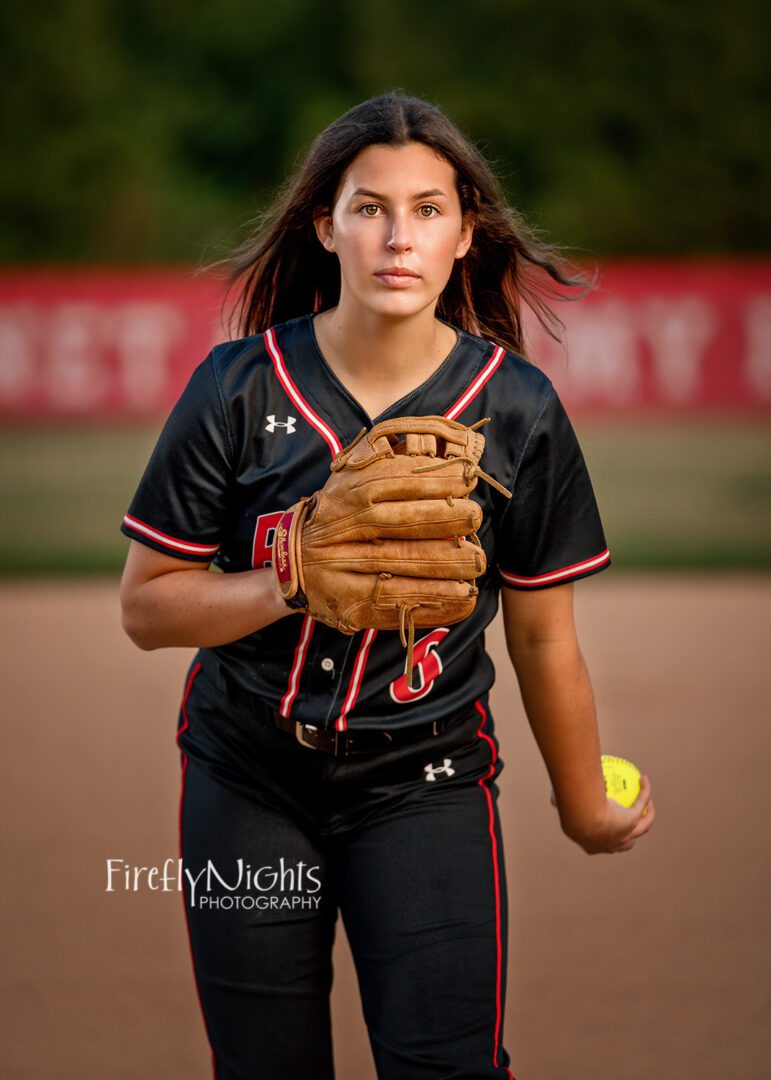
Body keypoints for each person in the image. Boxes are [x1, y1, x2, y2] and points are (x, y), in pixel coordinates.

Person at [119, 92, 655, 1080]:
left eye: (427, 209)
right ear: (325, 224)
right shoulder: (236, 387)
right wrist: (293, 580)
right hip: (247, 778)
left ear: (466, 234)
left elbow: (543, 638)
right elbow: (147, 606)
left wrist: (583, 803)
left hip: (428, 781)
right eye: (369, 208)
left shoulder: (517, 409)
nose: (397, 237)